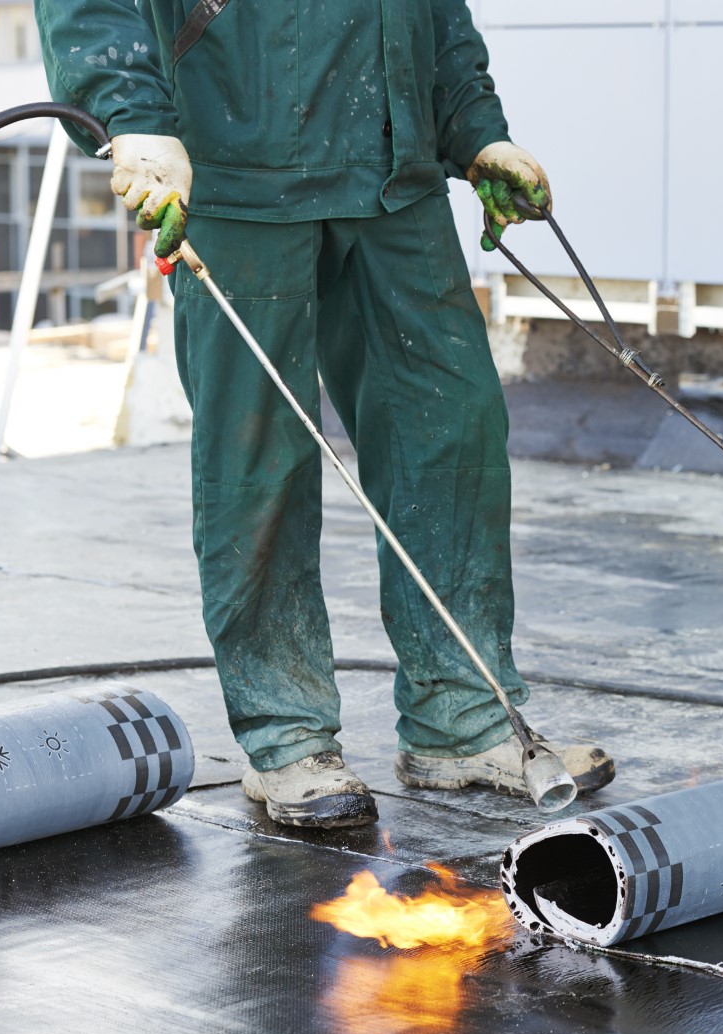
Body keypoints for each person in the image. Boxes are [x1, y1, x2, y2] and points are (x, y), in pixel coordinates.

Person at [33, 1, 614, 827]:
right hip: (237, 177)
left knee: (454, 432)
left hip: (393, 179)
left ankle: (463, 721)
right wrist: (130, 115)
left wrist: (474, 128)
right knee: (258, 457)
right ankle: (288, 736)